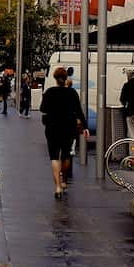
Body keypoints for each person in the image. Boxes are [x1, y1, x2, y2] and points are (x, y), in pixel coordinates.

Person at [40, 66, 89, 199]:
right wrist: (85, 127)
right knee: (66, 155)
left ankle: (57, 187)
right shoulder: (72, 93)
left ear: (55, 79)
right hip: (68, 127)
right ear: (66, 78)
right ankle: (63, 180)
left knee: (54, 157)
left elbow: (42, 109)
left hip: (52, 128)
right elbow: (79, 111)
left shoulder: (49, 92)